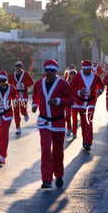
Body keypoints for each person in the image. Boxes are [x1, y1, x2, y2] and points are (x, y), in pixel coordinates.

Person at [32, 59, 74, 188]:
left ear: (56, 72)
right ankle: (46, 179)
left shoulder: (62, 84)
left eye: (52, 71)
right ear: (44, 71)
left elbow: (71, 100)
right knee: (45, 150)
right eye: (47, 71)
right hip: (44, 121)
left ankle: (59, 175)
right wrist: (35, 104)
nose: (49, 73)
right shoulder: (39, 84)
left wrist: (58, 101)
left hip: (58, 123)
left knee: (57, 151)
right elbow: (35, 95)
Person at [70, 60, 104, 151]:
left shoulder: (95, 77)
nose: (87, 71)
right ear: (82, 69)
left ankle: (88, 142)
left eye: (89, 69)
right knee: (83, 124)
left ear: (91, 69)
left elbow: (101, 85)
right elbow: (71, 88)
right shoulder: (77, 77)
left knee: (89, 122)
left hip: (91, 102)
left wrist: (100, 91)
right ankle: (85, 138)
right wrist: (79, 92)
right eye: (85, 70)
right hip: (80, 103)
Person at [8, 60, 34, 135]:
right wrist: (13, 87)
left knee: (22, 110)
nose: (17, 67)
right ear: (15, 67)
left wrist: (24, 85)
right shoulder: (12, 75)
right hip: (15, 96)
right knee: (16, 112)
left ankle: (25, 114)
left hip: (24, 95)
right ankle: (18, 128)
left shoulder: (25, 74)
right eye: (16, 66)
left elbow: (31, 82)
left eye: (19, 66)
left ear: (21, 67)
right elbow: (9, 84)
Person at [64, 69, 77, 137]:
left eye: (74, 74)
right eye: (71, 74)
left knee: (75, 118)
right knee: (67, 115)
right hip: (68, 102)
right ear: (69, 75)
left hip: (75, 102)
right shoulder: (66, 83)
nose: (72, 75)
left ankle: (74, 132)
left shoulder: (78, 83)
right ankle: (69, 128)